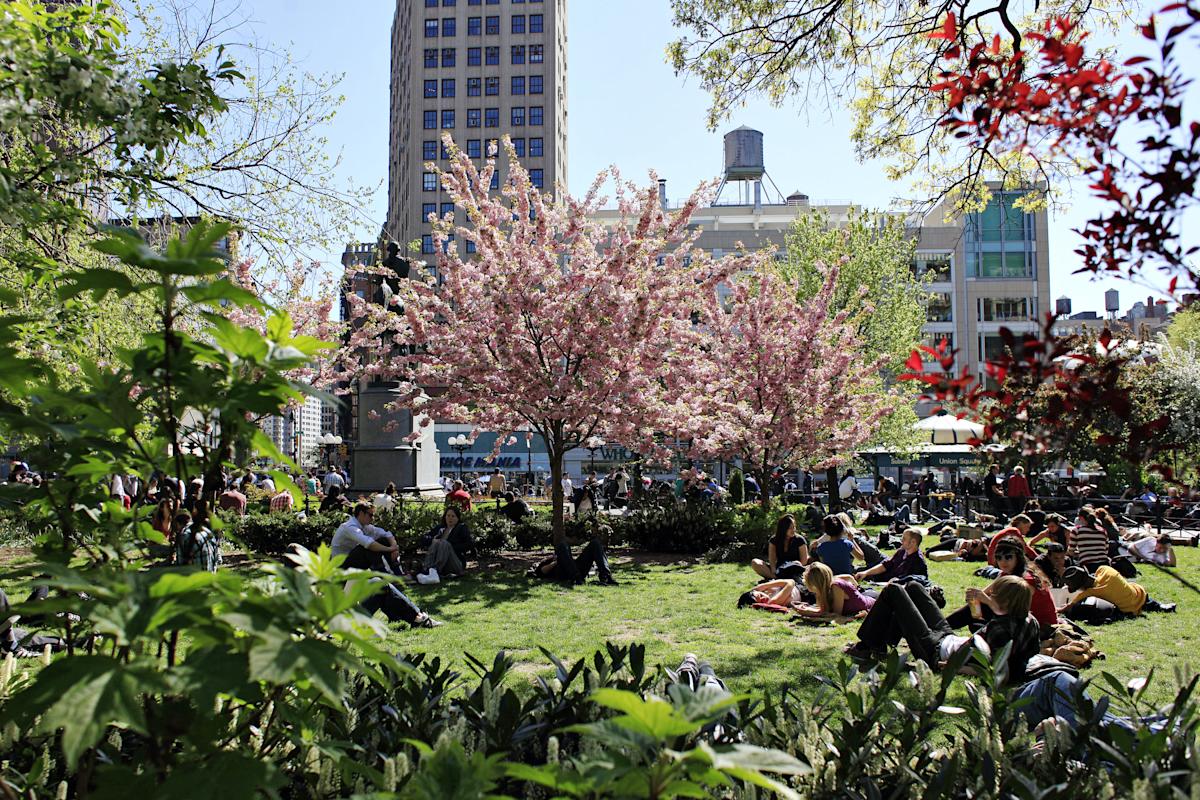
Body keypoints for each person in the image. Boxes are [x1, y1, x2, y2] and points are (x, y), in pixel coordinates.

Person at [845, 575, 1041, 681]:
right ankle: (879, 645)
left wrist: (954, 668)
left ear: (1004, 600)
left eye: (994, 593)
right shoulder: (1029, 621)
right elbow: (1030, 654)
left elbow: (996, 669)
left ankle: (866, 646)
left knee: (893, 589)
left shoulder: (1001, 629)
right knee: (913, 587)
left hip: (935, 652)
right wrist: (986, 601)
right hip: (950, 639)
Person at [330, 503, 441, 629]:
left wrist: (394, 548)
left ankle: (412, 617)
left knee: (382, 585)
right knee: (367, 549)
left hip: (353, 578)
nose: (373, 518)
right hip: (342, 574)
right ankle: (387, 573)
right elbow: (369, 544)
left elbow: (386, 534)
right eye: (370, 515)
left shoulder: (364, 527)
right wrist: (390, 550)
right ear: (360, 513)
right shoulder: (349, 527)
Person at [1059, 564, 1175, 620]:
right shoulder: (1105, 569)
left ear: (1081, 586)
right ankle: (1159, 606)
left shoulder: (1089, 593)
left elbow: (1069, 606)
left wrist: (1060, 609)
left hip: (1127, 610)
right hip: (1139, 595)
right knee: (1130, 586)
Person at [528, 534, 617, 585]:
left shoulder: (563, 554)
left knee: (595, 544)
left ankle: (606, 576)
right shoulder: (546, 561)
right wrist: (556, 560)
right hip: (563, 572)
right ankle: (576, 578)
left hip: (575, 568)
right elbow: (543, 571)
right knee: (562, 545)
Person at [796, 562, 875, 617]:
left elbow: (836, 614)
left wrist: (810, 613)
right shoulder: (823, 589)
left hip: (872, 604)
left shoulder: (836, 586)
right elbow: (825, 610)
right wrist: (807, 610)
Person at [417, 507, 473, 584]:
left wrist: (450, 547)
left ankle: (434, 571)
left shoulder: (461, 528)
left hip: (456, 563)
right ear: (445, 517)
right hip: (443, 566)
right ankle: (428, 570)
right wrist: (432, 540)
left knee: (444, 543)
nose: (450, 518)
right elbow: (424, 538)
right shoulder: (440, 528)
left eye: (453, 516)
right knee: (436, 542)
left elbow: (468, 545)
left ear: (457, 518)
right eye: (448, 516)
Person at [855, 528, 928, 582]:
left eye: (904, 539)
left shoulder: (918, 562)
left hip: (887, 581)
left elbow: (916, 580)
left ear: (913, 542)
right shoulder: (902, 551)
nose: (901, 540)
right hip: (881, 575)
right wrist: (866, 573)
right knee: (857, 571)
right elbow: (886, 564)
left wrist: (897, 581)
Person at [751, 514, 809, 581]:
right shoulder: (774, 540)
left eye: (794, 527)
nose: (793, 530)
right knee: (755, 562)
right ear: (783, 529)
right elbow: (772, 559)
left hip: (795, 569)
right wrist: (773, 570)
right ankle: (775, 578)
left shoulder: (800, 540)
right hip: (779, 569)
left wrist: (793, 566)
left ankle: (777, 579)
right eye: (790, 528)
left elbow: (804, 562)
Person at [174, 500, 221, 572]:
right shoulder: (208, 532)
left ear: (178, 523)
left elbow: (180, 564)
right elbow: (218, 559)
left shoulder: (184, 535)